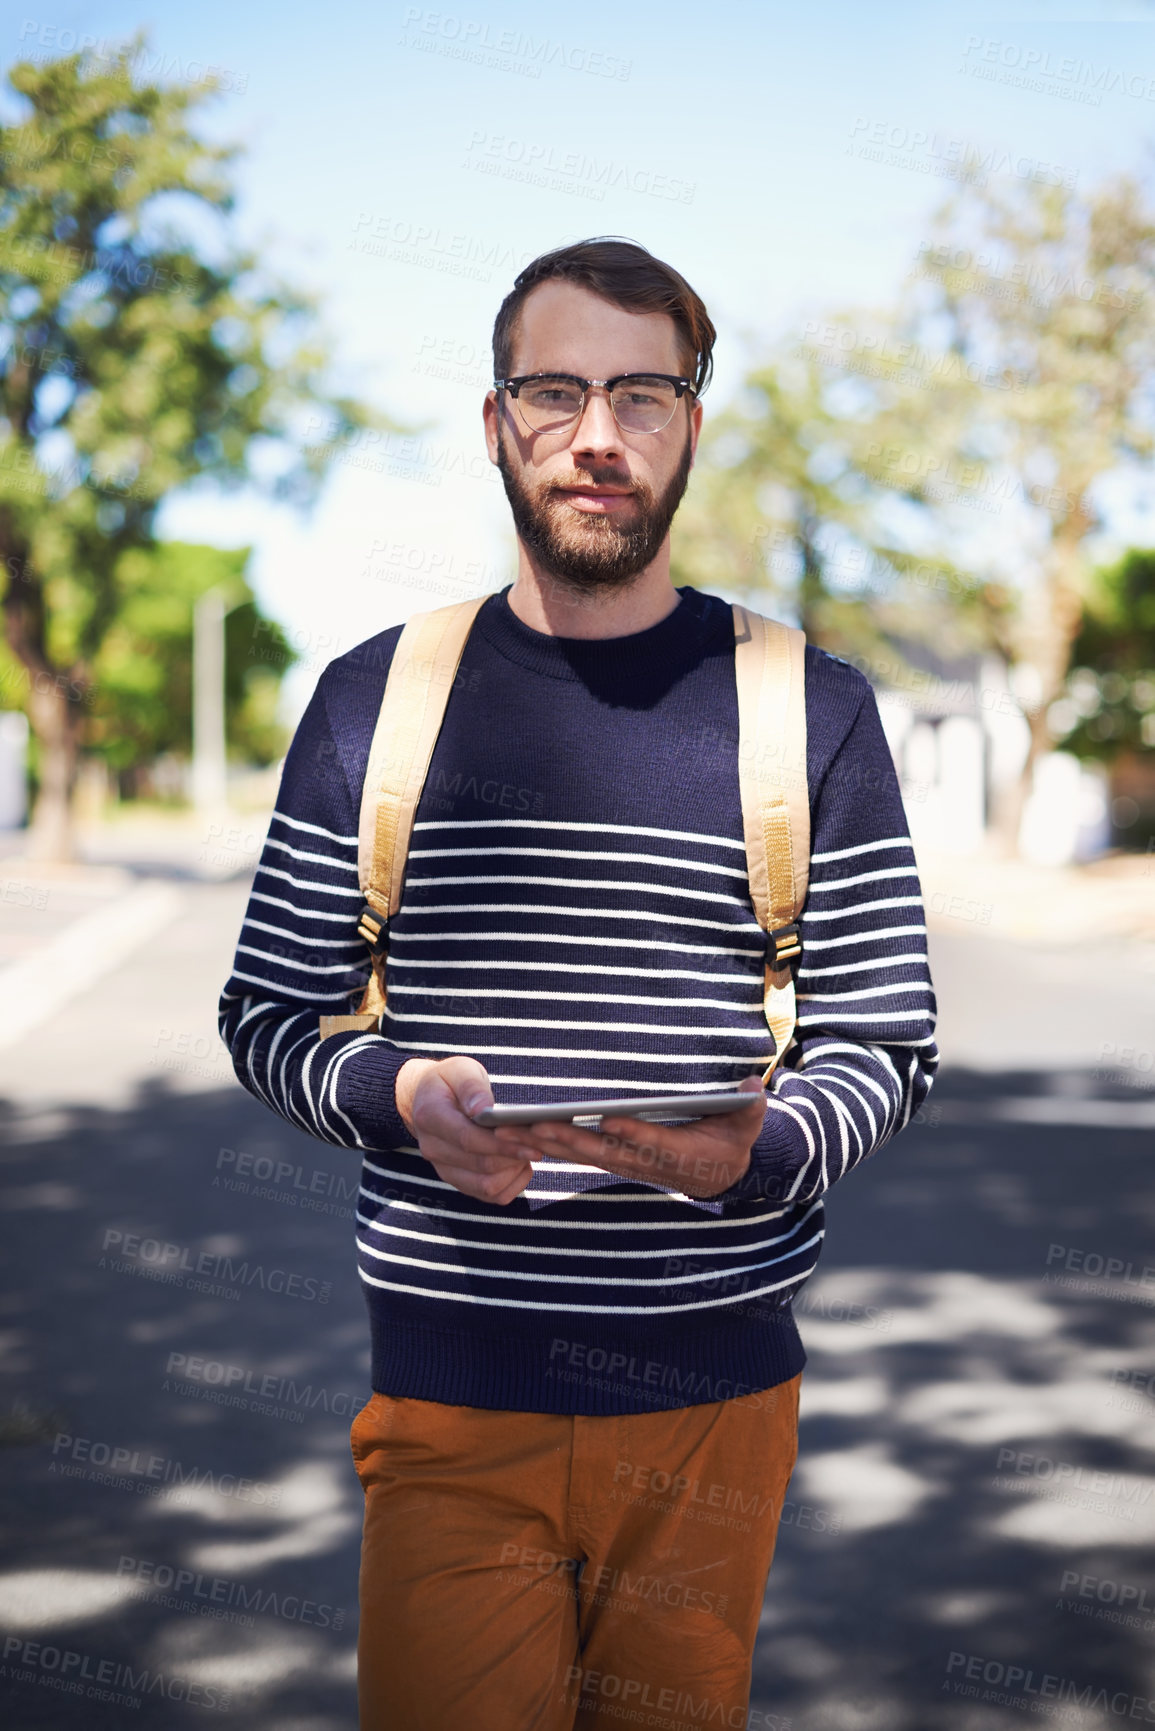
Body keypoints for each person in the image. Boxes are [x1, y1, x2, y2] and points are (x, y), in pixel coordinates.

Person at [219, 236, 938, 1730]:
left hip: (713, 1412)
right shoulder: (374, 699)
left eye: (642, 393)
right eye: (554, 391)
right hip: (451, 1396)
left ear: (691, 422)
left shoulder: (810, 705)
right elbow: (270, 1011)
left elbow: (885, 1036)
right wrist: (397, 1095)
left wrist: (773, 1143)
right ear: (496, 424)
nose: (597, 436)